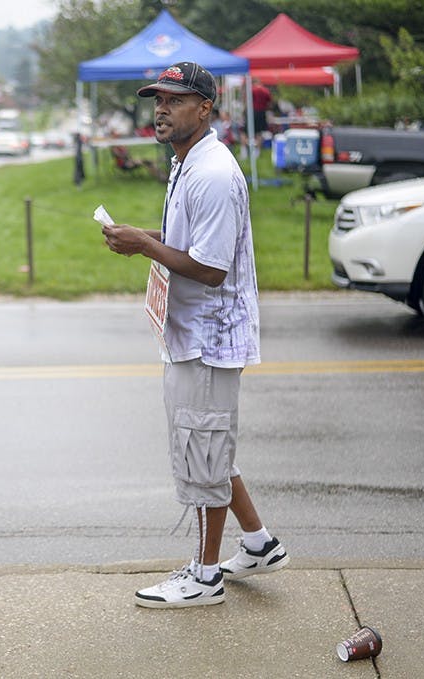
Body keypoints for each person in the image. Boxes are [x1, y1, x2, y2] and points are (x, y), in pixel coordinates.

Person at [102, 62, 289, 609]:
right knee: (208, 443)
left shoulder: (211, 172)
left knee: (202, 448)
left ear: (204, 108)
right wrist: (149, 236)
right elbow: (194, 240)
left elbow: (210, 268)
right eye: (157, 100)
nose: (161, 109)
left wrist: (143, 245)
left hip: (209, 337)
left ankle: (205, 577)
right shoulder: (187, 161)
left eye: (174, 100)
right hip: (192, 331)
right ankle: (257, 543)